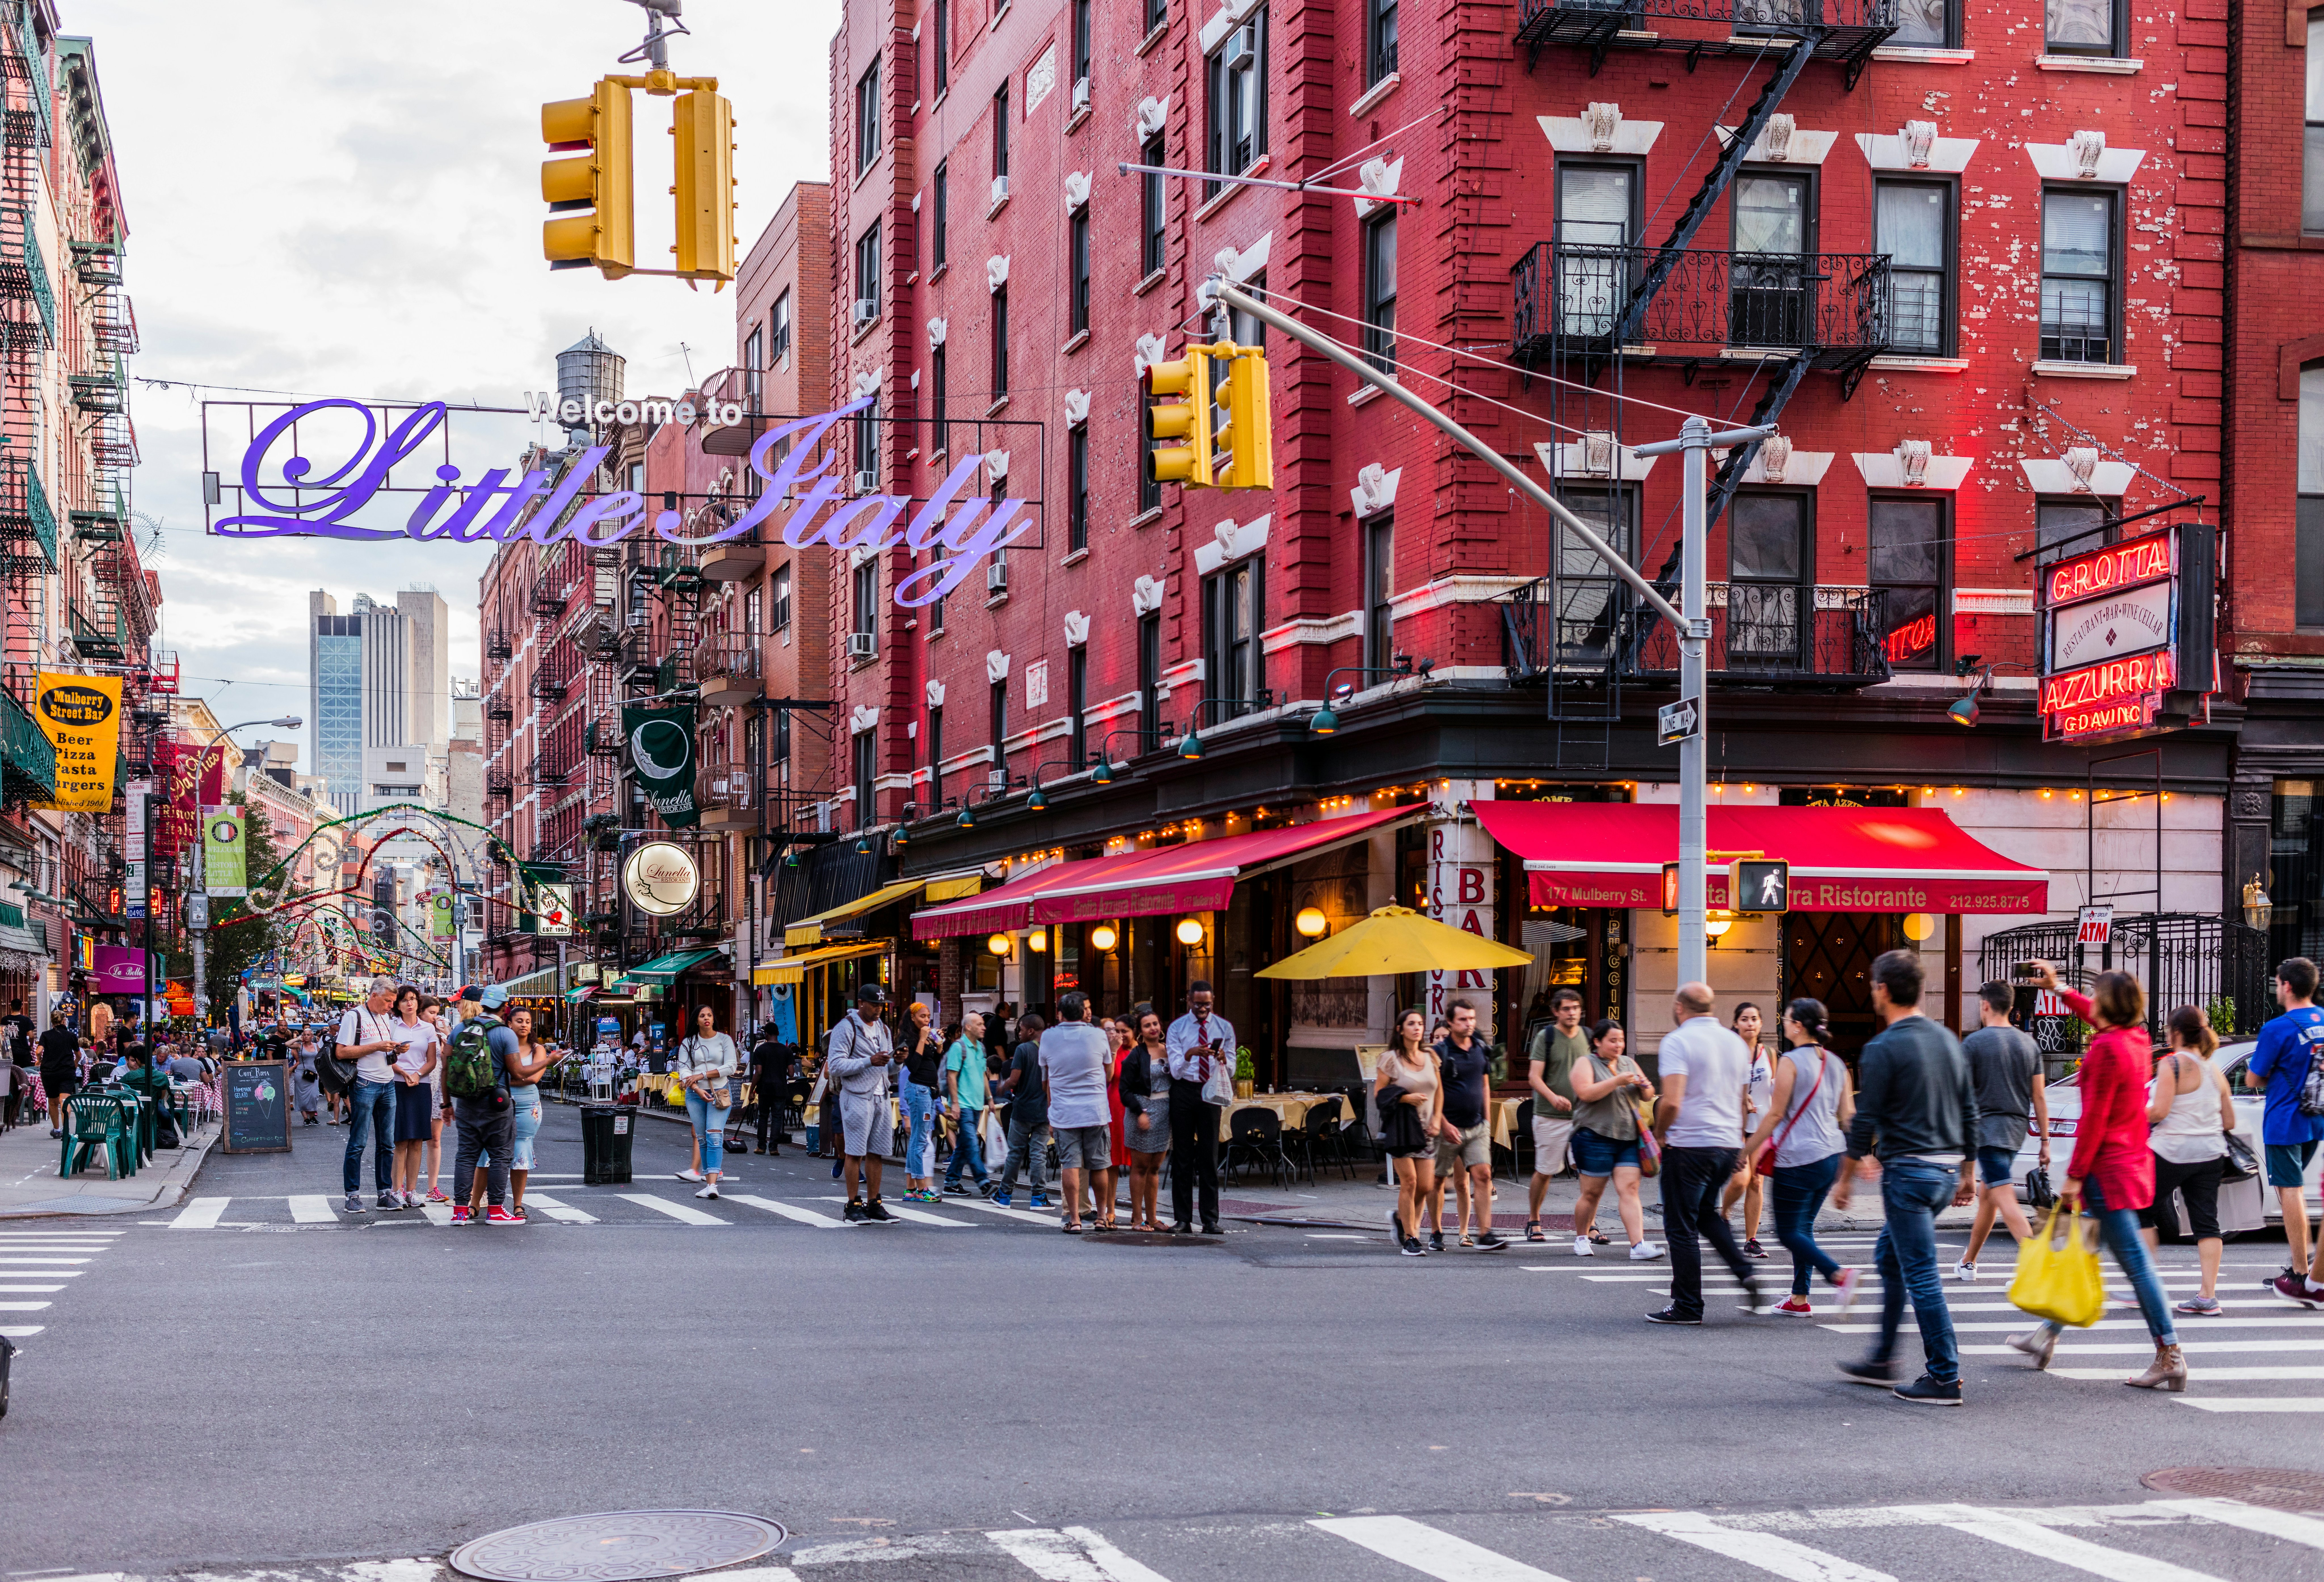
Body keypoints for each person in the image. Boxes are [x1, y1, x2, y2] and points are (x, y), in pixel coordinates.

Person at [2007, 962, 2185, 1391]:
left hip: (2106, 1172)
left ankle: (2169, 1352)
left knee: (2135, 1265)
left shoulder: (2107, 1050)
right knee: (2080, 1253)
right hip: (2126, 1164)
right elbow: (2094, 1015)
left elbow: (2095, 1121)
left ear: (2109, 1006)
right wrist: (2061, 989)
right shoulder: (2135, 1039)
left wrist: (2074, 1175)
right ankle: (2045, 1336)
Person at [1831, 950, 1977, 1403]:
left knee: (1920, 1273)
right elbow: (1969, 1110)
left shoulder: (1882, 1048)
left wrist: (1845, 1177)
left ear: (1885, 990)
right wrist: (1969, 1173)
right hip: (1944, 1170)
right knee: (1892, 1259)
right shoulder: (1948, 1040)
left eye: (1874, 984)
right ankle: (1882, 1359)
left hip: (1908, 1175)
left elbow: (1866, 1118)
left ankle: (1944, 1375)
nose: (1872, 991)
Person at [1648, 981, 1758, 1325]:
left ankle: (1687, 1306)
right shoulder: (1735, 1044)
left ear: (1680, 1007)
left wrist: (1660, 1134)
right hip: (1726, 1144)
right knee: (1706, 1214)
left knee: (1680, 1227)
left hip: (1690, 1145)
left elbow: (1673, 1100)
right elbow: (1742, 1100)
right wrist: (1739, 1141)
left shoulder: (1677, 1041)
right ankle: (1744, 1271)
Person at [1742, 998, 1857, 1316]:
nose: (1783, 1023)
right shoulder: (1836, 1063)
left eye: (1787, 1019)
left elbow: (1775, 1114)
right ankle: (1798, 1298)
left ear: (1798, 1026)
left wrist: (1745, 1152)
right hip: (1830, 1157)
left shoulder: (1791, 1062)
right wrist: (1856, 1161)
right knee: (1803, 1228)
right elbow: (1848, 1117)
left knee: (1788, 1231)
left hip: (1797, 1158)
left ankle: (1838, 1275)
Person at [1956, 980, 2050, 1280]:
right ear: (2010, 1007)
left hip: (1986, 1132)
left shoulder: (1973, 1044)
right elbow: (2039, 1096)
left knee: (2004, 1198)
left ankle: (2038, 1266)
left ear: (1984, 1005)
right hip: (2015, 1132)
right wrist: (2045, 1141)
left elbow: (1963, 1099)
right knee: (1990, 1196)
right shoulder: (2028, 1044)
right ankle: (1968, 1262)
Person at [2144, 1004, 2234, 1317]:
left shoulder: (2172, 1065)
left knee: (2141, 1213)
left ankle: (2144, 1287)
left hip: (2171, 1151)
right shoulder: (2214, 1069)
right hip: (2210, 1153)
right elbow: (2229, 1121)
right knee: (2207, 1224)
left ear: (2176, 1034)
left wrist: (2130, 1114)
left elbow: (2158, 1112)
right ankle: (2207, 1296)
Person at [2247, 957, 2324, 1300]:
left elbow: (2253, 1078)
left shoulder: (2277, 1028)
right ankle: (2306, 1262)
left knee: (2288, 1190)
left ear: (2287, 986)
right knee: (2293, 1189)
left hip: (2284, 1120)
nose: (2276, 988)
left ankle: (2300, 1274)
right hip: (2316, 1117)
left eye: (2277, 983)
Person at [1567, 1019, 1661, 1262]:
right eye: (1613, 1040)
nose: (1619, 1045)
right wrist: (1618, 1081)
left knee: (1630, 1189)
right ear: (1598, 1042)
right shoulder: (1585, 1063)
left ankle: (1638, 1244)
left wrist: (1644, 1086)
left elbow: (1649, 1094)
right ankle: (1581, 1238)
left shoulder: (1629, 1062)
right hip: (1593, 1136)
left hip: (1629, 1137)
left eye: (1621, 1040)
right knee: (1592, 1193)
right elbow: (1585, 1093)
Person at [1430, 999, 1509, 1251]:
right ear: (1451, 1022)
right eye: (1463, 1019)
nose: (1469, 1023)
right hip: (1448, 1127)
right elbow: (1432, 1091)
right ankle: (1436, 1230)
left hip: (1477, 1127)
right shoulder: (1441, 1052)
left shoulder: (1480, 1048)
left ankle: (1485, 1233)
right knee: (1437, 1180)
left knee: (1484, 1175)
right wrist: (1442, 1123)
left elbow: (1485, 1084)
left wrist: (1487, 1118)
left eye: (1472, 1019)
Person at [1374, 1008, 1449, 1256]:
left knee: (1426, 1186)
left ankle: (1401, 1219)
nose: (1418, 1028)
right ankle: (1411, 1237)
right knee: (1410, 1182)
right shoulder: (1390, 1059)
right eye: (1412, 1024)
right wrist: (1406, 1098)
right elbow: (1380, 1094)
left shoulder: (1431, 1057)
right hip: (1402, 1128)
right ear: (1400, 1029)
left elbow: (1439, 1091)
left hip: (1427, 1129)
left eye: (1420, 1024)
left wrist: (1438, 1118)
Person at [1042, 991, 1117, 1234]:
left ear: (1060, 1013)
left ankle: (1075, 1219)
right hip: (1095, 1110)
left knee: (1070, 1165)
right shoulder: (1098, 1034)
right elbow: (1108, 1074)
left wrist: (1050, 1110)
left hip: (1065, 1112)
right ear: (1084, 1013)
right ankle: (1102, 1217)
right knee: (1099, 1164)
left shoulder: (1049, 1037)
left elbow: (1047, 1081)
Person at [446, 984, 521, 1225]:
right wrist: (549, 1061)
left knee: (466, 1156)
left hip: (466, 1102)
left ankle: (460, 1211)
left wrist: (446, 1103)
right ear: (505, 1007)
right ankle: (497, 1210)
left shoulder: (460, 1029)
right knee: (500, 1156)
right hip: (497, 1104)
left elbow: (446, 1065)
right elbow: (518, 1072)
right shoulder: (505, 1033)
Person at [828, 983, 899, 1223]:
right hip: (857, 1095)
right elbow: (836, 1065)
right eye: (874, 1004)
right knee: (855, 1151)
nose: (879, 1009)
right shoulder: (847, 1027)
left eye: (882, 1005)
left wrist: (898, 1061)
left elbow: (888, 1066)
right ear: (861, 1003)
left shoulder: (884, 1030)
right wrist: (869, 1060)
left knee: (877, 1152)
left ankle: (874, 1203)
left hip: (882, 1095)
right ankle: (852, 1204)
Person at [1165, 981, 1232, 1235]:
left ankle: (1210, 1220)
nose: (1202, 1008)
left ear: (1213, 1000)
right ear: (1188, 1000)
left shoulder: (1224, 1027)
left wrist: (1224, 1059)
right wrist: (1191, 1053)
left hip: (1211, 1090)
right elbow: (1174, 1068)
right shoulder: (1177, 1028)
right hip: (1184, 1090)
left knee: (1209, 1156)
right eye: (1198, 1003)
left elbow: (1233, 1064)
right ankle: (1182, 1219)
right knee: (1182, 1157)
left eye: (1207, 1004)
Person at [338, 977, 406, 1214]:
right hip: (365, 1084)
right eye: (388, 1001)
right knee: (358, 1142)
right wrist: (377, 1046)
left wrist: (397, 1048)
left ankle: (384, 1193)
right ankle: (352, 1196)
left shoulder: (385, 1017)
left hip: (388, 1083)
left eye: (393, 1002)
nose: (391, 1006)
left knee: (387, 1143)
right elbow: (342, 1051)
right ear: (374, 995)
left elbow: (383, 1048)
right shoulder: (354, 1016)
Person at [1524, 988, 1585, 1244]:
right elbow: (1534, 1077)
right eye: (1566, 1009)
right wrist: (1553, 1097)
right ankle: (1534, 1219)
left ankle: (1589, 1225)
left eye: (1575, 1008)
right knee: (1546, 1171)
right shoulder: (1545, 1037)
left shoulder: (1588, 1036)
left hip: (1582, 1116)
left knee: (1587, 1171)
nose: (1572, 1013)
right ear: (1556, 1012)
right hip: (1550, 1115)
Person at [1718, 1003, 1774, 1258]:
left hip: (1761, 1126)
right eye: (1745, 1019)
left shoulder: (1770, 1054)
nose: (1750, 1023)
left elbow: (1775, 1087)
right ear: (1736, 1024)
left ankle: (1752, 1239)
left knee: (1757, 1180)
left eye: (1754, 1019)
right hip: (1736, 1125)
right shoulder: (1729, 1054)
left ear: (1761, 1024)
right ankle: (1724, 1213)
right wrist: (1742, 1100)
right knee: (1740, 1180)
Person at [672, 1003, 739, 1201]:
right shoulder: (689, 1043)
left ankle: (712, 1184)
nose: (706, 1018)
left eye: (709, 1015)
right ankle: (709, 1183)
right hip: (695, 1094)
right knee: (702, 1138)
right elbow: (683, 1069)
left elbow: (731, 1066)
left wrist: (702, 1075)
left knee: (715, 1135)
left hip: (720, 1092)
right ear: (697, 1020)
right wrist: (697, 1088)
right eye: (702, 1016)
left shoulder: (725, 1040)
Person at [497, 1006, 557, 1217]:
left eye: (528, 1021)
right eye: (519, 1021)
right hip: (500, 1103)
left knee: (521, 1151)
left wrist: (502, 1081)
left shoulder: (537, 1049)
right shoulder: (502, 1045)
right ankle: (485, 1200)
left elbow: (533, 1078)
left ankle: (518, 1204)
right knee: (491, 1151)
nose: (524, 1025)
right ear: (509, 1024)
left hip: (527, 1105)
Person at [386, 985, 441, 1211]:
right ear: (398, 1005)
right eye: (405, 1000)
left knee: (418, 1140)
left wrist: (418, 1074)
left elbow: (432, 1060)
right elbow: (387, 1057)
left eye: (413, 999)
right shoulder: (391, 1026)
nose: (410, 1003)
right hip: (397, 1083)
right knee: (401, 1140)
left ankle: (412, 1190)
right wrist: (404, 1073)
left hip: (421, 1085)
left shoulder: (428, 1029)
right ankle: (396, 1190)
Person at [1120, 1005, 1172, 1230]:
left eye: (1155, 1023)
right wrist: (1140, 1112)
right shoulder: (1136, 1055)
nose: (1153, 1028)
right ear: (1140, 1031)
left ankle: (1153, 1218)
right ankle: (1137, 1218)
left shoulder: (1170, 1050)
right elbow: (1124, 1090)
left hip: (1165, 1111)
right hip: (1141, 1110)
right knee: (1140, 1167)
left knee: (1155, 1168)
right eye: (1147, 1025)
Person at [993, 1011, 1050, 1208]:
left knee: (1016, 1152)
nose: (1019, 1033)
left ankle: (1005, 1194)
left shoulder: (1023, 1050)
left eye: (1021, 1030)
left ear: (1031, 1031)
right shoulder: (1049, 1050)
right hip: (1044, 1110)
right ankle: (1039, 1197)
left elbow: (1015, 1079)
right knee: (1039, 1153)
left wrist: (1004, 1085)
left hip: (1023, 1109)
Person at [943, 1008, 997, 1196]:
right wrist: (955, 1103)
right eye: (980, 1024)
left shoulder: (981, 1048)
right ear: (968, 1027)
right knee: (972, 1143)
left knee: (966, 1144)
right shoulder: (959, 1047)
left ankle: (951, 1182)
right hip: (964, 1105)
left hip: (976, 1105)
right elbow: (951, 1076)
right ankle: (983, 1182)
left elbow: (984, 1075)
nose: (984, 1027)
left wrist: (990, 1099)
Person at [896, 1002, 941, 1200]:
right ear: (913, 1018)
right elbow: (913, 1066)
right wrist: (923, 1039)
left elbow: (933, 1065)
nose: (927, 1020)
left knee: (919, 1139)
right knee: (919, 1140)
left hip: (928, 1092)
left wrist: (939, 1047)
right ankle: (922, 1189)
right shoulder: (907, 1038)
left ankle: (911, 1188)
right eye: (922, 1016)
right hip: (919, 1090)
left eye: (928, 1016)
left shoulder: (926, 1038)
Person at [751, 1022, 791, 1157]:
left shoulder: (760, 1050)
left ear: (766, 1034)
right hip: (781, 1088)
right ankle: (774, 1148)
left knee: (763, 1116)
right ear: (778, 1034)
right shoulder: (787, 1051)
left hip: (765, 1089)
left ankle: (761, 1146)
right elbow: (791, 1073)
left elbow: (759, 1072)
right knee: (777, 1117)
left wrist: (752, 1090)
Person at [38, 1010, 79, 1139]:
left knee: (53, 1102)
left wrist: (40, 1060)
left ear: (52, 1022)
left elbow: (39, 1051)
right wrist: (75, 1063)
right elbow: (79, 1055)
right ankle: (66, 1131)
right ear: (64, 1021)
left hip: (49, 1072)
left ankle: (57, 1130)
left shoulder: (45, 1035)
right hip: (67, 1071)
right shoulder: (71, 1036)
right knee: (65, 1101)